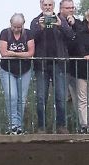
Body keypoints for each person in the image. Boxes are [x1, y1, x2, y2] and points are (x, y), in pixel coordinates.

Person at [30, 0, 76, 134]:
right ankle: (41, 127)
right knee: (41, 97)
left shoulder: (61, 19)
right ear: (41, 6)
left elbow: (72, 37)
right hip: (41, 64)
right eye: (45, 5)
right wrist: (41, 27)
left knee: (61, 97)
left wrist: (61, 25)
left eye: (50, 5)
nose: (48, 7)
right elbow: (31, 38)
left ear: (54, 6)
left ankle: (61, 126)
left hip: (60, 64)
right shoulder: (35, 21)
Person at [0, 13, 34, 135]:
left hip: (25, 69)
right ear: (10, 24)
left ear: (23, 24)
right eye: (15, 27)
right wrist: (20, 54)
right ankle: (13, 125)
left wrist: (13, 53)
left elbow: (30, 53)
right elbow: (3, 53)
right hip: (7, 69)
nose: (17, 29)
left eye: (19, 27)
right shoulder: (5, 33)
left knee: (21, 99)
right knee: (12, 96)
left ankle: (19, 126)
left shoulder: (28, 33)